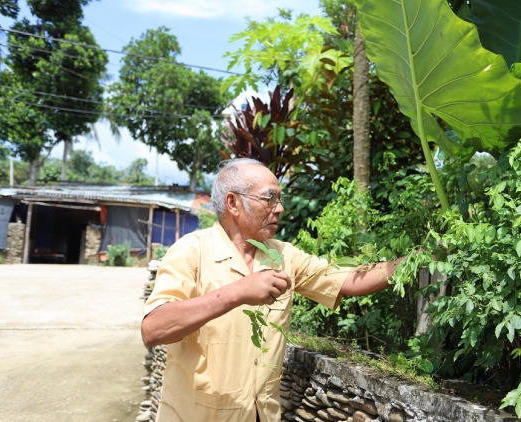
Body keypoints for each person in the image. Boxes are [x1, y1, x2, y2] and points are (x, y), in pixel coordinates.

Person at [142, 158, 404, 422]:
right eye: (270, 198)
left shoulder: (283, 256)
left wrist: (413, 262)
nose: (279, 208)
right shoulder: (192, 251)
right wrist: (238, 292)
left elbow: (347, 279)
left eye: (279, 199)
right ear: (233, 203)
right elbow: (154, 328)